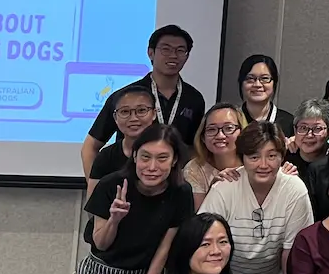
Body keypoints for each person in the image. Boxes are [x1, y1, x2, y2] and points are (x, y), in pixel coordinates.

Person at [76, 122, 193, 274]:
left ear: (173, 161)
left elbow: (165, 248)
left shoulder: (181, 192)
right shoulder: (112, 184)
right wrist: (114, 220)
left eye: (162, 158)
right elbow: (101, 243)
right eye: (145, 157)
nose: (152, 167)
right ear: (135, 157)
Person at [200, 121, 314, 274]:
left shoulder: (294, 189)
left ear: (282, 157)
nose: (263, 164)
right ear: (242, 158)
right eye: (254, 157)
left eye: (272, 156)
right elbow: (203, 244)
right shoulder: (225, 188)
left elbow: (293, 251)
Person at [80, 25, 205, 177]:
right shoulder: (125, 97)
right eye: (166, 49)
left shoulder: (194, 99)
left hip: (174, 185)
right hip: (128, 181)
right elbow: (90, 147)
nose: (173, 55)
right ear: (150, 53)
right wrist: (96, 188)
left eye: (180, 50)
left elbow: (194, 148)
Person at [86, 85, 157, 196]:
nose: (133, 118)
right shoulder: (105, 157)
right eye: (124, 112)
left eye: (141, 110)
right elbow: (94, 206)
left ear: (154, 114)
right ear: (115, 117)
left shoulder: (166, 154)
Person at [184, 103, 246, 211]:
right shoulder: (195, 168)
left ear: (242, 132)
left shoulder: (253, 163)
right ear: (203, 137)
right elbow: (199, 221)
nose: (220, 136)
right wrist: (213, 190)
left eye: (228, 128)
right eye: (212, 129)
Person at [238, 54, 296, 137]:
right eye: (250, 78)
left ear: (274, 83)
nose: (257, 84)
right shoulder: (231, 121)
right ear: (241, 83)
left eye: (264, 78)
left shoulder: (289, 123)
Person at [286, 98, 329, 181]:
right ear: (295, 130)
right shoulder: (285, 157)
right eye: (303, 128)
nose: (309, 135)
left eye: (317, 128)